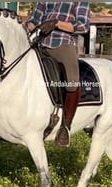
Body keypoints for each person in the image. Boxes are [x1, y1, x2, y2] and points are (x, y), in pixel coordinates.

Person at [26, 2, 90, 147]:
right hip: (40, 44)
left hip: (63, 43)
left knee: (72, 81)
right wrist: (25, 25)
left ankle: (65, 127)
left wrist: (56, 23)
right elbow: (34, 21)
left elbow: (83, 26)